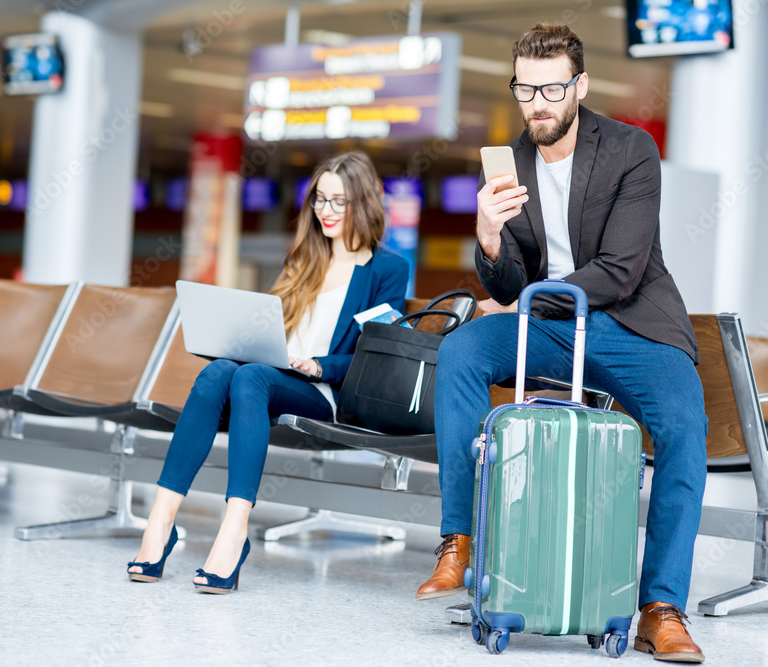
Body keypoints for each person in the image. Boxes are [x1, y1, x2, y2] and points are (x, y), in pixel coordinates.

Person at [414, 24, 708, 664]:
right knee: (463, 350)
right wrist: (489, 239)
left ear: (579, 85)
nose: (538, 102)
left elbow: (620, 269)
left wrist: (521, 301)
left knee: (685, 426)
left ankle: (660, 607)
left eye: (552, 87)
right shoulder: (511, 162)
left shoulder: (632, 149)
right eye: (526, 88)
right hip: (549, 325)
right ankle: (458, 541)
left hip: (633, 324)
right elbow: (510, 276)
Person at [127, 150, 409, 594]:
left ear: (363, 203)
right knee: (223, 369)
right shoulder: (304, 258)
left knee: (249, 377)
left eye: (339, 201)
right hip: (269, 376)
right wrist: (240, 340)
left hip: (327, 392)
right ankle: (160, 521)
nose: (326, 211)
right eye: (319, 200)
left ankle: (233, 529)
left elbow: (377, 354)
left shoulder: (387, 269)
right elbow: (270, 327)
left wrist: (319, 366)